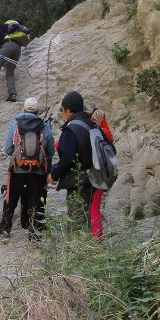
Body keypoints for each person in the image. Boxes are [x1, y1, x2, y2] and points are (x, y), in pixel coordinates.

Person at [48, 90, 106, 239]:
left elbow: (67, 159)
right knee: (88, 215)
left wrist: (53, 174)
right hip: (95, 178)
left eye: (63, 110)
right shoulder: (93, 125)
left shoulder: (71, 129)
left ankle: (78, 256)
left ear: (68, 109)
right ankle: (90, 252)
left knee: (76, 221)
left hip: (78, 181)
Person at [0, 97, 54, 238]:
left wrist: (19, 157)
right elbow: (51, 151)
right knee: (35, 199)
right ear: (37, 111)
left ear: (24, 109)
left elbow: (7, 148)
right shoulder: (44, 125)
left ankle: (5, 229)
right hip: (38, 170)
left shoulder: (15, 124)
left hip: (17, 168)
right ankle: (34, 231)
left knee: (11, 197)